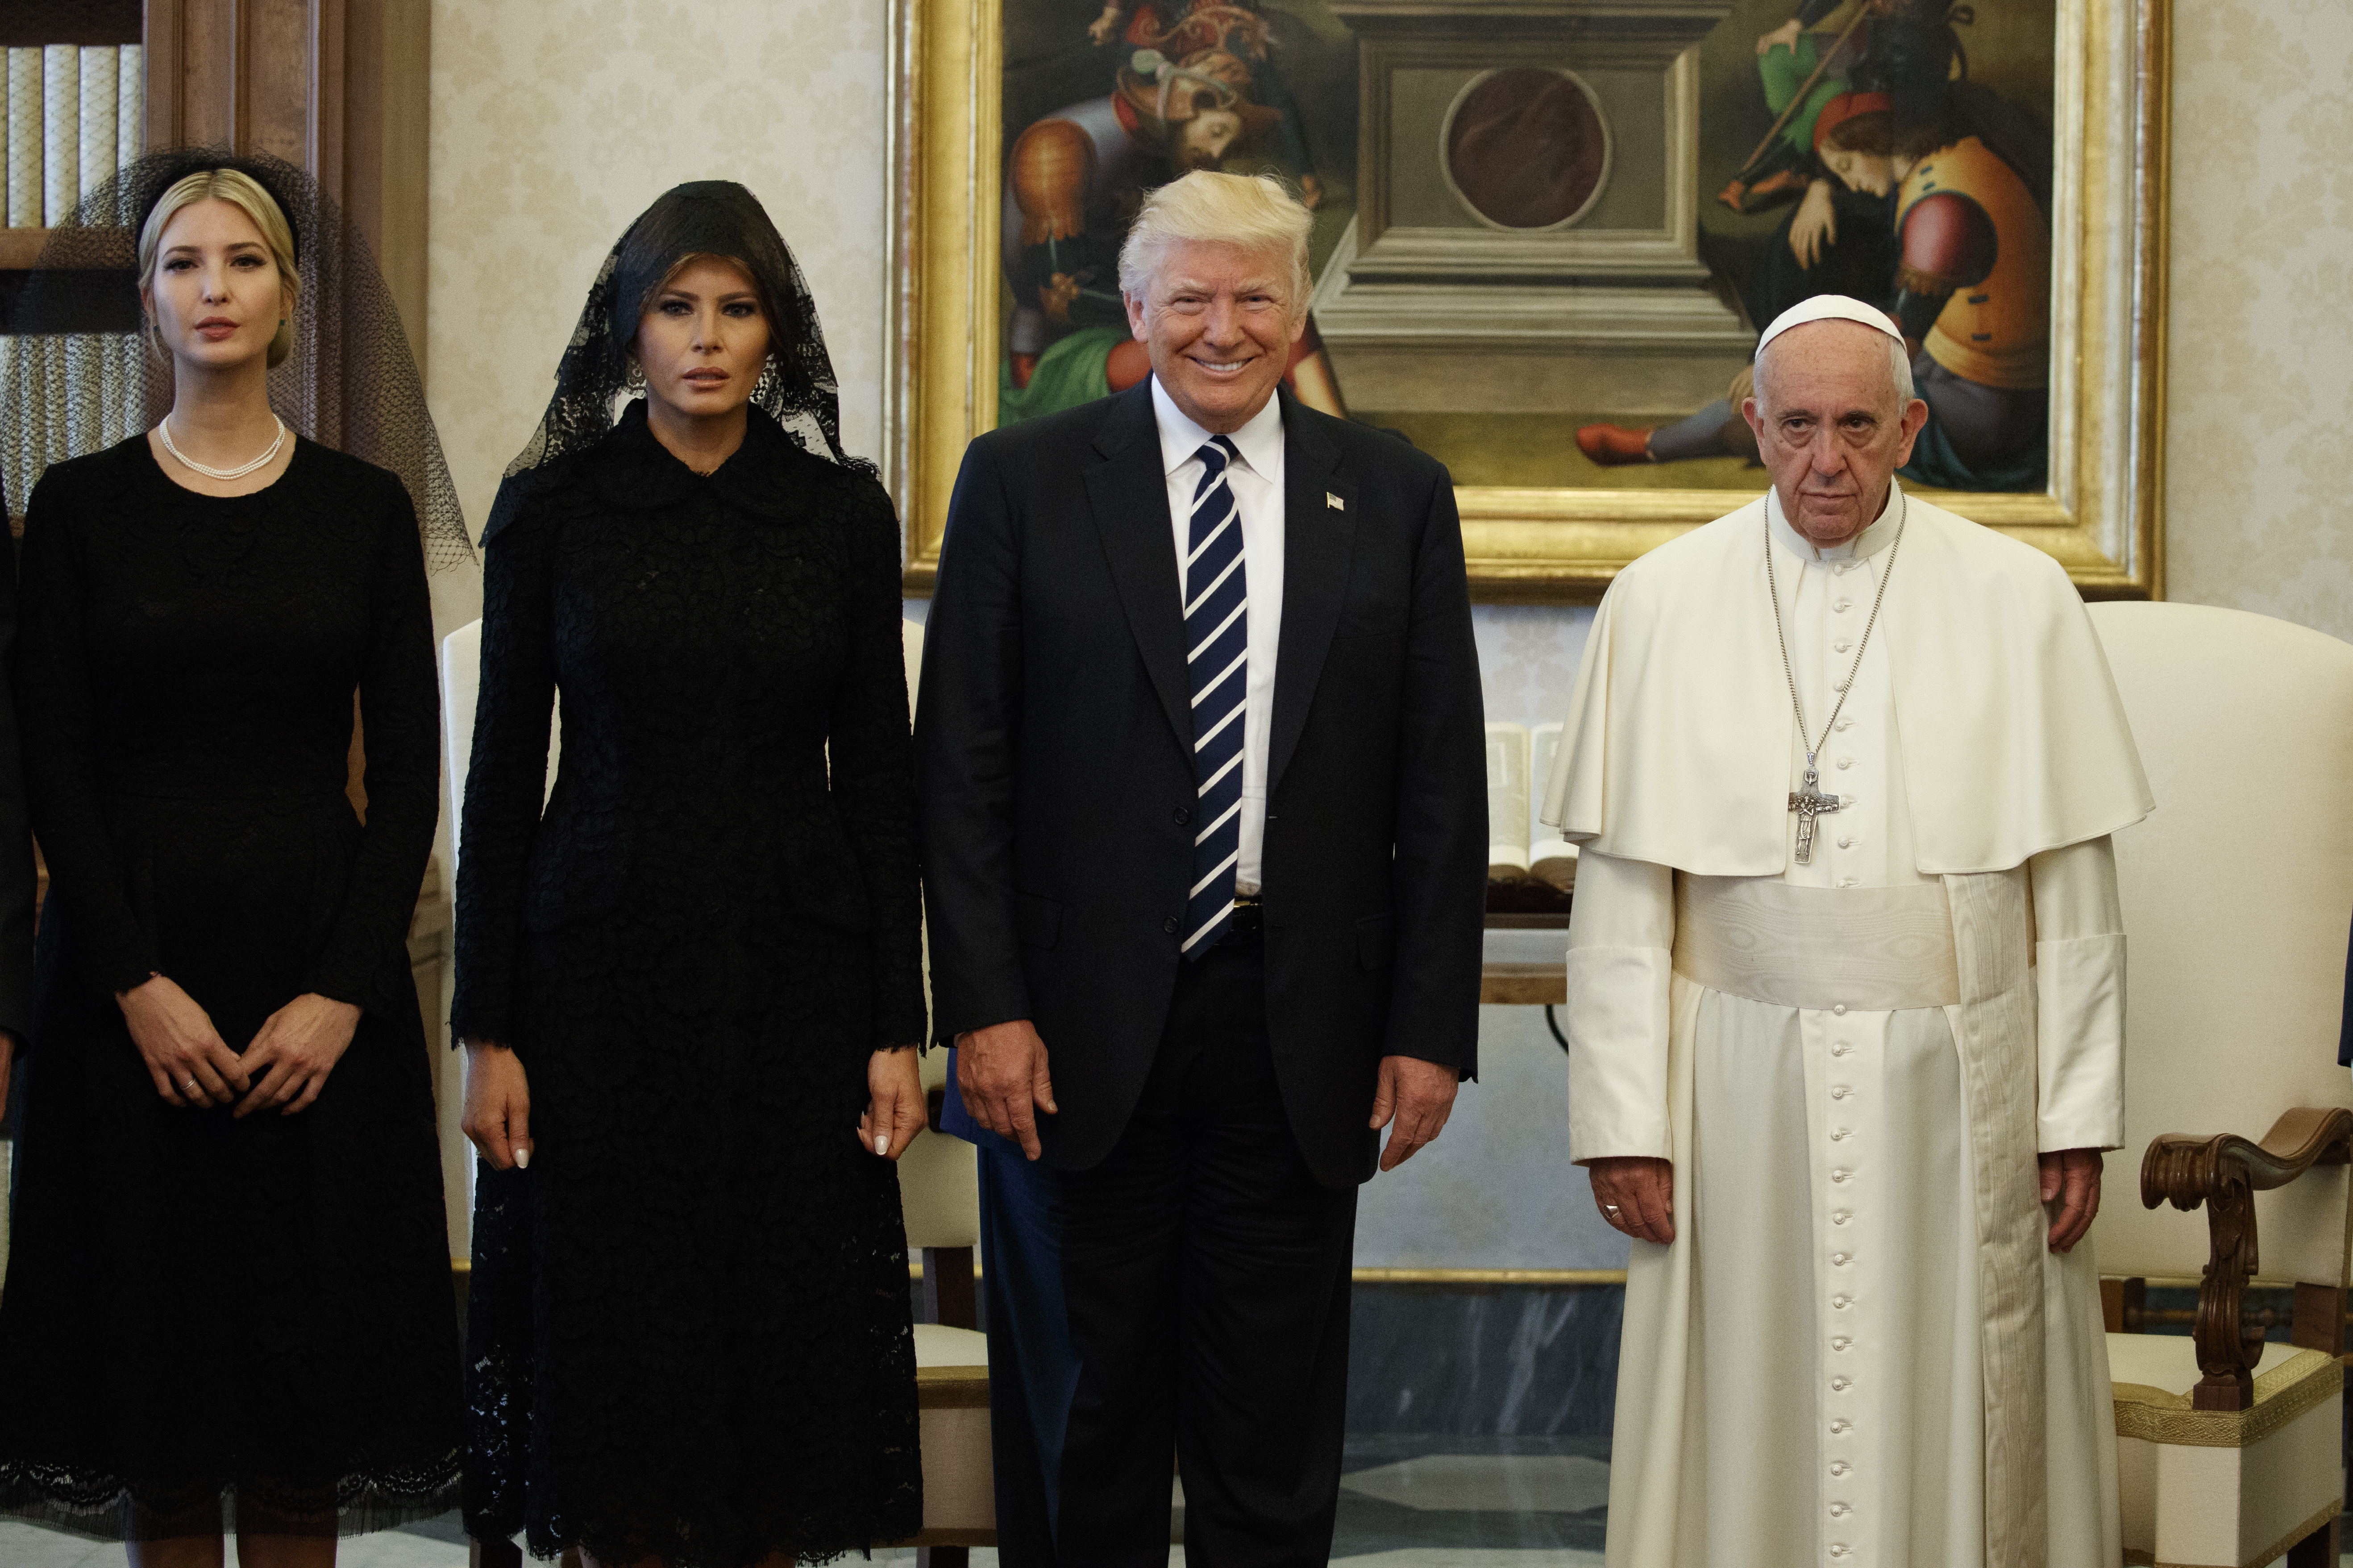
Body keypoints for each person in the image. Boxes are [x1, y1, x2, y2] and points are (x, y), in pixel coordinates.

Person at [919, 169, 1487, 1564]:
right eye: (1190, 297)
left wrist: (1428, 1032)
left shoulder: (1397, 493)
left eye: (1254, 296)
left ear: (1301, 316)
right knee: (1081, 1428)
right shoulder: (1026, 479)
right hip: (1063, 1031)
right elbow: (961, 774)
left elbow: (1441, 786)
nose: (1221, 327)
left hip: (1301, 1030)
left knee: (1271, 1437)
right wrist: (982, 1008)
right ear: (1134, 310)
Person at [1542, 293, 2147, 1567]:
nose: (1828, 460)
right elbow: (1623, 908)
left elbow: (2074, 892)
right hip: (1731, 1097)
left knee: (1952, 1386)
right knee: (1750, 1386)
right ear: (1752, 423)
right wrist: (1622, 1126)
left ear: (1913, 426)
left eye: (1860, 425)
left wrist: (2074, 1109)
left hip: (1961, 1087)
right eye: (1798, 425)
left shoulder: (2018, 597)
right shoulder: (1659, 602)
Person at [0, 152, 471, 1555]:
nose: (215, 288)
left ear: (289, 294)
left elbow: (408, 776)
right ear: (146, 298)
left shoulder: (364, 507)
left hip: (318, 995)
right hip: (123, 998)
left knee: (301, 1417)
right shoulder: (76, 510)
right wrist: (134, 983)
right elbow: (51, 771)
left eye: (245, 261)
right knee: (156, 1412)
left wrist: (345, 989)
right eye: (185, 264)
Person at [452, 181, 926, 1568]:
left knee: (781, 1368)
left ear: (776, 335)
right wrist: (488, 1028)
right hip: (595, 983)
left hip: (799, 986)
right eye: (676, 307)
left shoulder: (837, 512)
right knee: (620, 1372)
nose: (706, 337)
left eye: (736, 307)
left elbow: (881, 783)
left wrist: (898, 1026)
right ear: (628, 328)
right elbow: (497, 781)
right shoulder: (555, 508)